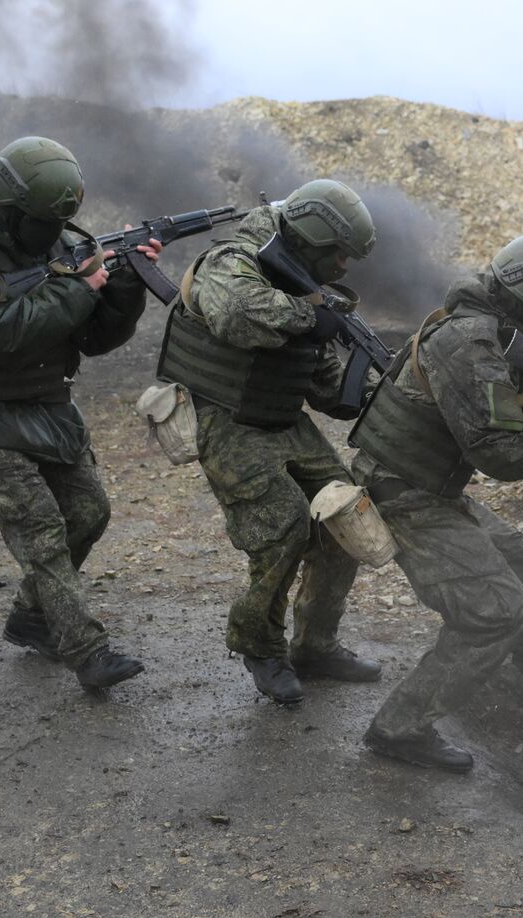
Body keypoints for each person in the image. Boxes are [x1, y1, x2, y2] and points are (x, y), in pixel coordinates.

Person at [350, 232, 523, 773]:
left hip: (434, 490)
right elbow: (505, 456)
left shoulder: (501, 336)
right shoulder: (469, 343)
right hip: (400, 493)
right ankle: (399, 727)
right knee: (497, 611)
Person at [0, 136, 158, 689]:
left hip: (46, 406)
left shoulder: (54, 249)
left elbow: (94, 340)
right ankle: (88, 652)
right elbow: (3, 335)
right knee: (42, 530)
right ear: (6, 210)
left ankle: (31, 616)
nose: (51, 235)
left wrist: (121, 289)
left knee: (89, 512)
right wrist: (81, 287)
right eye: (40, 221)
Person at [157, 179, 382, 705]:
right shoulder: (233, 259)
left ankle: (316, 643)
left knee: (347, 514)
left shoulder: (306, 283)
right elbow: (236, 315)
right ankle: (259, 643)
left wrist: (377, 389)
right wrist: (312, 317)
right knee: (284, 524)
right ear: (308, 237)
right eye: (338, 254)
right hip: (224, 415)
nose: (344, 267)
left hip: (281, 417)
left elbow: (328, 389)